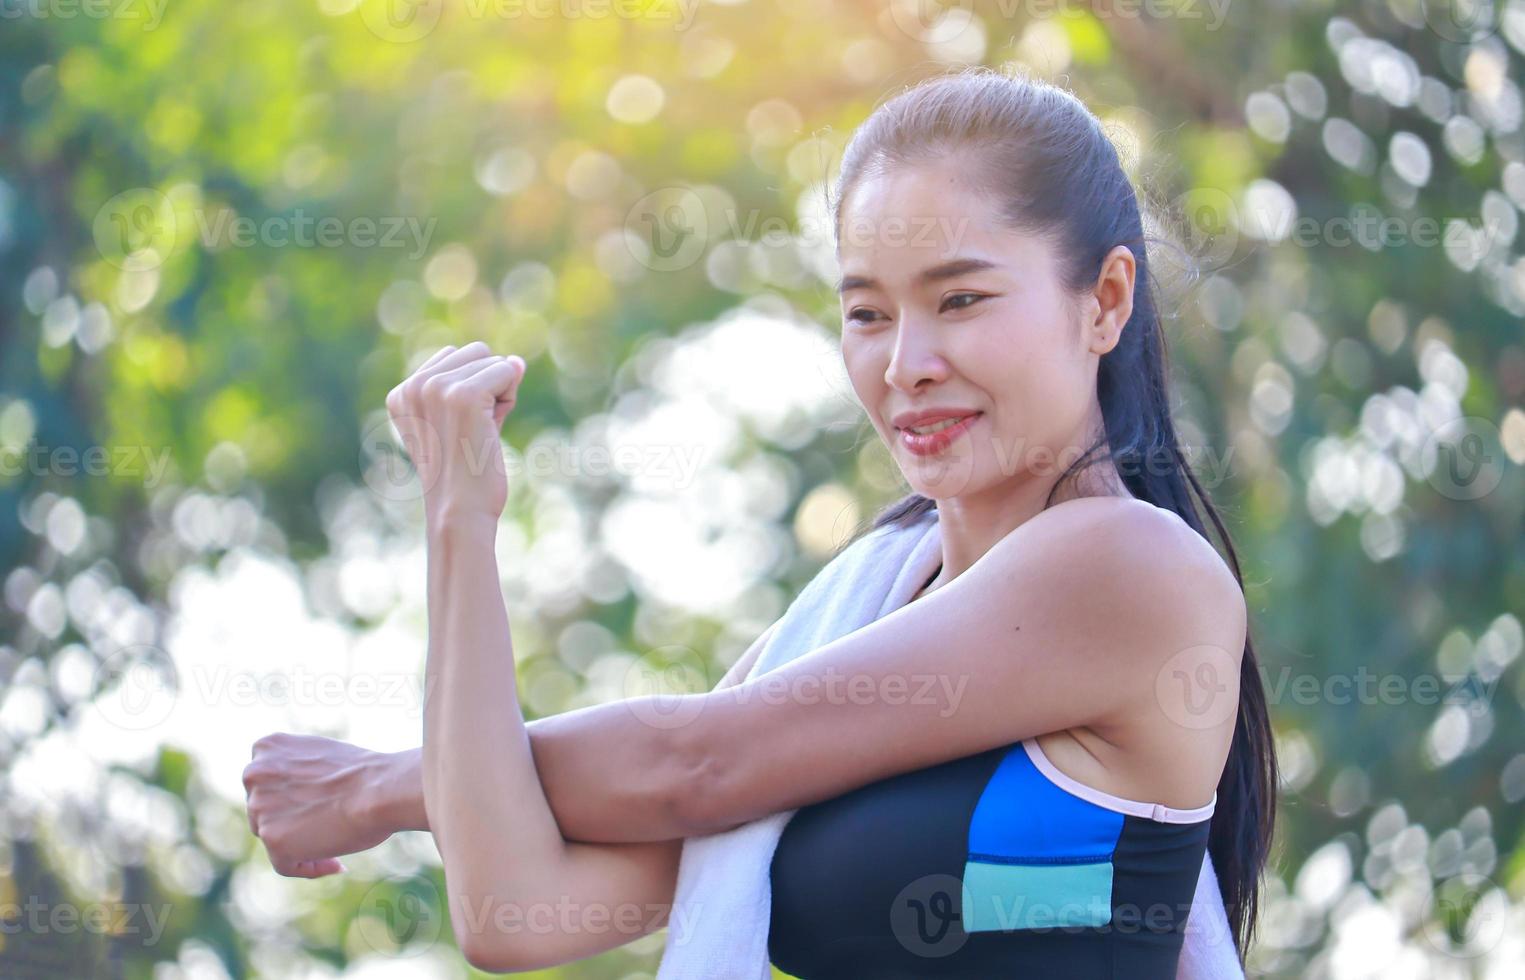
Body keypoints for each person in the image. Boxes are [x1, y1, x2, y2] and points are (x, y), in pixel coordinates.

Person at [243, 66, 1276, 977]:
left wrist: (378, 785)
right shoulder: (855, 611)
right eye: (866, 312)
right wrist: (459, 519)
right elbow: (516, 900)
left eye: (959, 299)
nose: (904, 362)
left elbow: (692, 765)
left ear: (1102, 300)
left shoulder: (1131, 568)